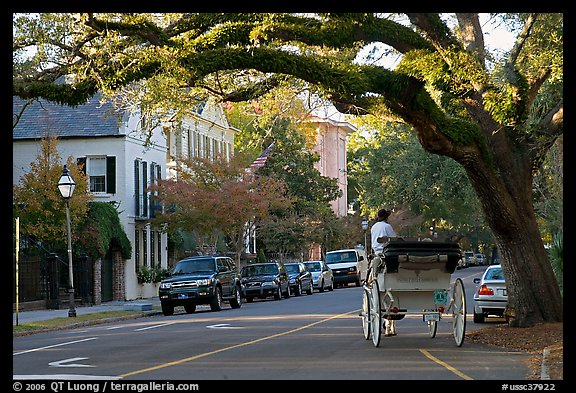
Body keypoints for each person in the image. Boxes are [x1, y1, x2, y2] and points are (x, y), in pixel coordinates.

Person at [369, 208, 398, 337]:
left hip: (377, 255)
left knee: (373, 276)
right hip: (388, 254)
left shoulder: (373, 227)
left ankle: (372, 280)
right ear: (386, 217)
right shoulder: (387, 227)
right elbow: (394, 240)